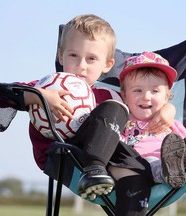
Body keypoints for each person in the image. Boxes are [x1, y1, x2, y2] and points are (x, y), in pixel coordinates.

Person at [23, 14, 176, 215]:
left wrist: (168, 108)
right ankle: (94, 167)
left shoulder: (110, 95)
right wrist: (41, 96)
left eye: (91, 58)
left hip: (111, 160)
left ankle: (158, 168)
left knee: (135, 174)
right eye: (73, 56)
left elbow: (142, 109)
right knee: (114, 108)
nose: (81, 66)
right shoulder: (50, 84)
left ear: (107, 65)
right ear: (61, 56)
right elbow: (7, 94)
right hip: (66, 154)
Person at [119, 52, 186, 188]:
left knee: (184, 148)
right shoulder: (122, 120)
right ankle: (167, 171)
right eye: (137, 90)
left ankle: (185, 160)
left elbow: (182, 142)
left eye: (155, 91)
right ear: (124, 96)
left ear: (167, 97)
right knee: (152, 161)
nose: (146, 97)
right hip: (140, 165)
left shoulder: (172, 123)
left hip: (176, 163)